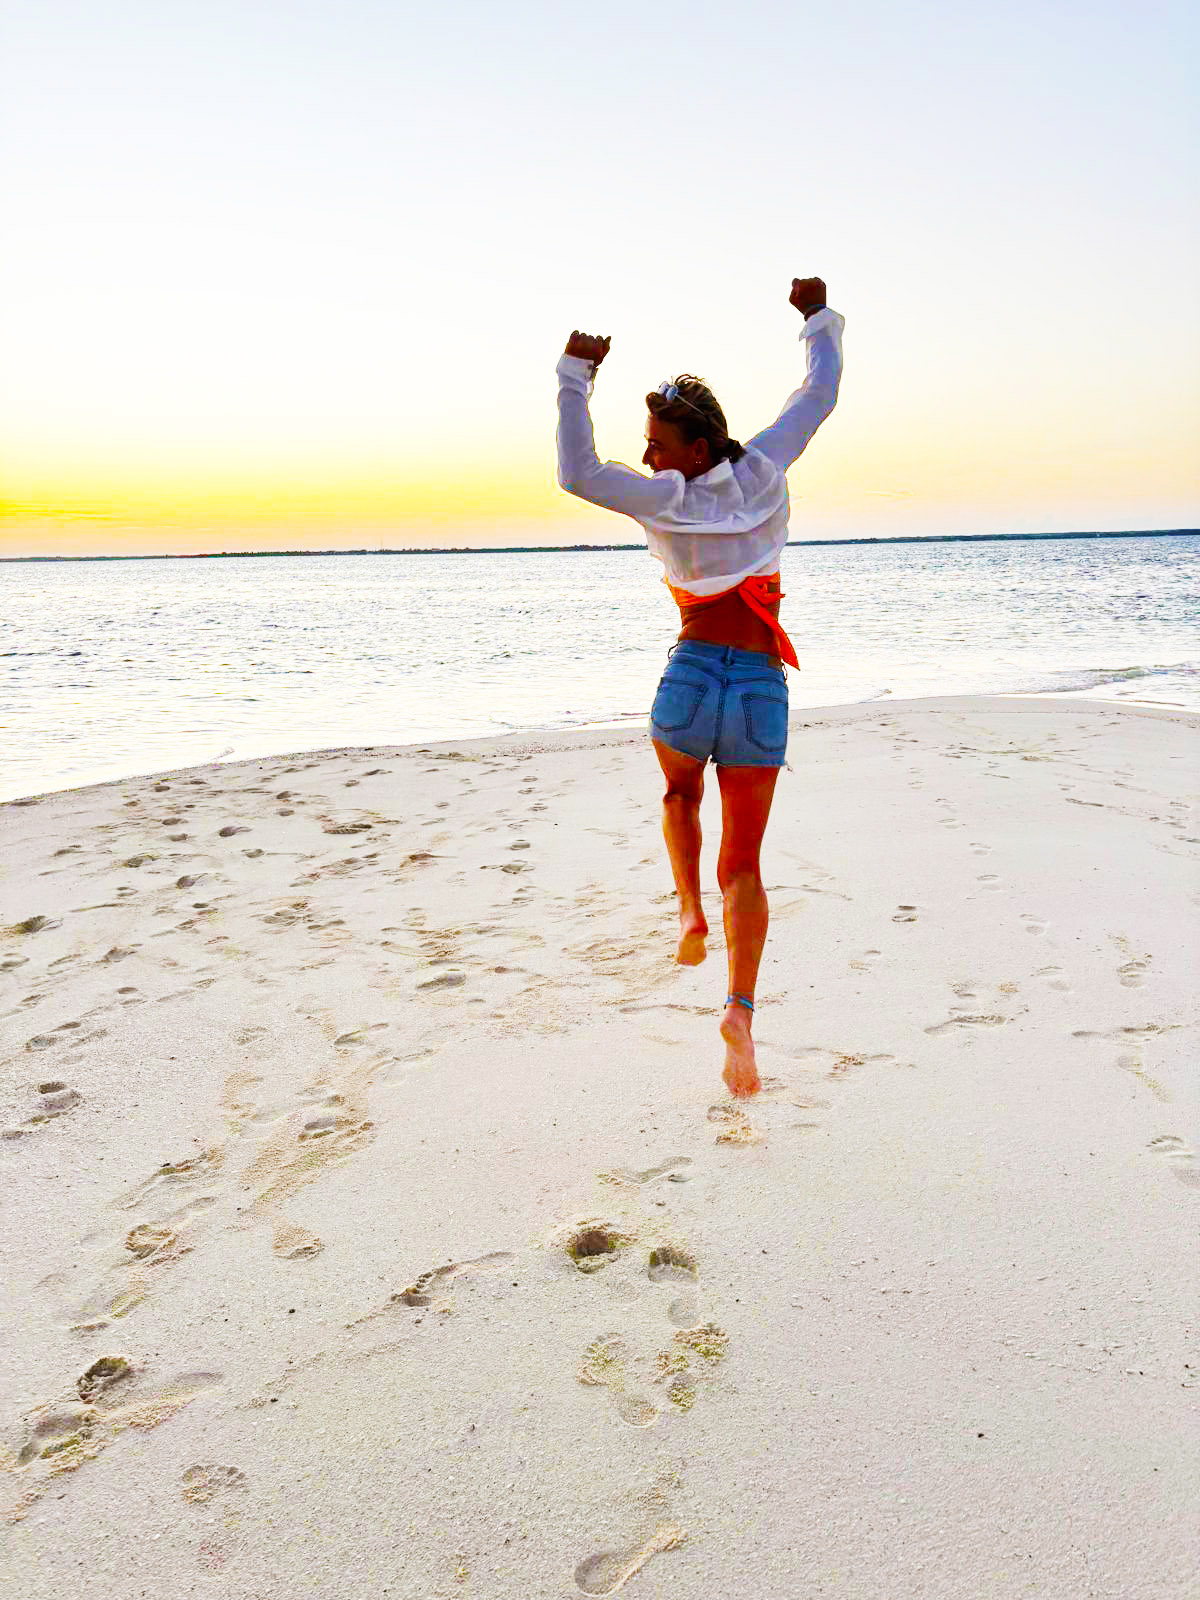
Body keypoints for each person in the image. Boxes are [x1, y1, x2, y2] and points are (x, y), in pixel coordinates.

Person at [556, 277, 844, 1097]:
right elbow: (818, 395)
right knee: (744, 863)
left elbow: (578, 473)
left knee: (679, 797)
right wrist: (815, 318)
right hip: (758, 685)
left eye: (656, 444)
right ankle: (740, 1011)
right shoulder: (766, 467)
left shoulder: (665, 499)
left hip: (689, 676)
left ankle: (687, 911)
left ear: (693, 449)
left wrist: (574, 376)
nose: (647, 457)